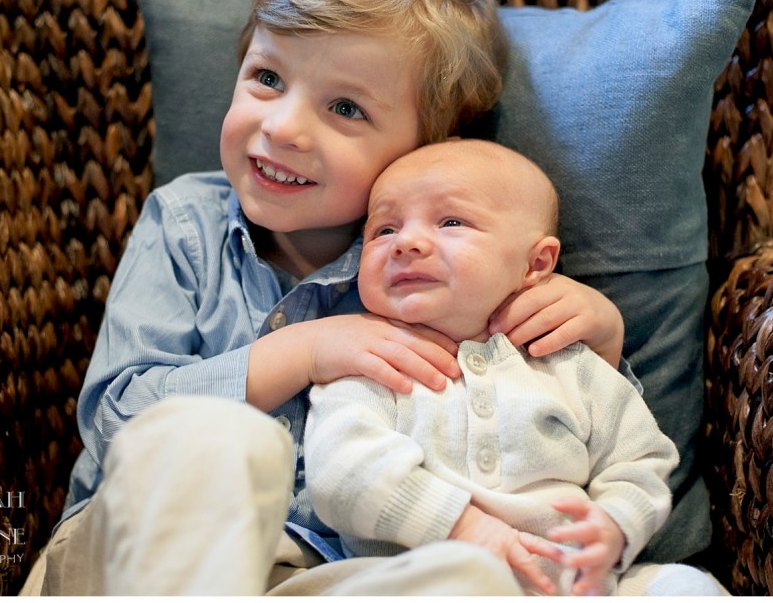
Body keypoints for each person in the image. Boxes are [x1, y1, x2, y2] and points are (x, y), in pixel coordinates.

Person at [29, 0, 628, 596]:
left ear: (426, 148)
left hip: (319, 569)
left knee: (463, 576)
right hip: (134, 552)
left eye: (345, 107)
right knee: (217, 442)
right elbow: (116, 418)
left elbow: (545, 417)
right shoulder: (186, 224)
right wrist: (306, 350)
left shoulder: (437, 267)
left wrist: (601, 338)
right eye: (267, 77)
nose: (282, 127)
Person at [305, 139, 728, 596]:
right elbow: (341, 473)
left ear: (537, 263)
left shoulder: (571, 364)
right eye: (383, 230)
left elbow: (641, 458)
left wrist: (615, 524)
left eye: (451, 222)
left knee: (685, 586)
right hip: (419, 579)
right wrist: (461, 525)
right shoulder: (372, 363)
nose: (405, 242)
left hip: (573, 583)